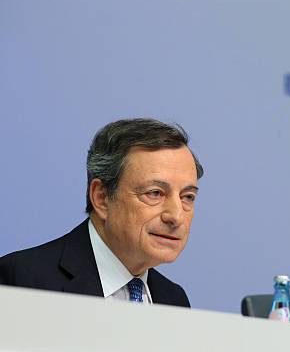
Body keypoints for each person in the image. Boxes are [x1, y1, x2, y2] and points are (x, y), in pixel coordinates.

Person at [0, 118, 203, 307]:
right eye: (155, 193)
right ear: (101, 198)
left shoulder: (174, 299)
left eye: (187, 197)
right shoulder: (24, 281)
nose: (176, 217)